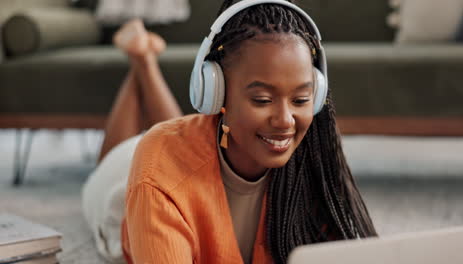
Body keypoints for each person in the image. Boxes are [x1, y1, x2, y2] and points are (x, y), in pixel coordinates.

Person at [82, 1, 378, 263]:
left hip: (197, 145)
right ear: (216, 92)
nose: (286, 120)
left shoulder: (313, 157)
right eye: (262, 100)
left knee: (184, 138)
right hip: (119, 185)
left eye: (301, 100)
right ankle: (142, 62)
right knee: (132, 153)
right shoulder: (157, 172)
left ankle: (143, 59)